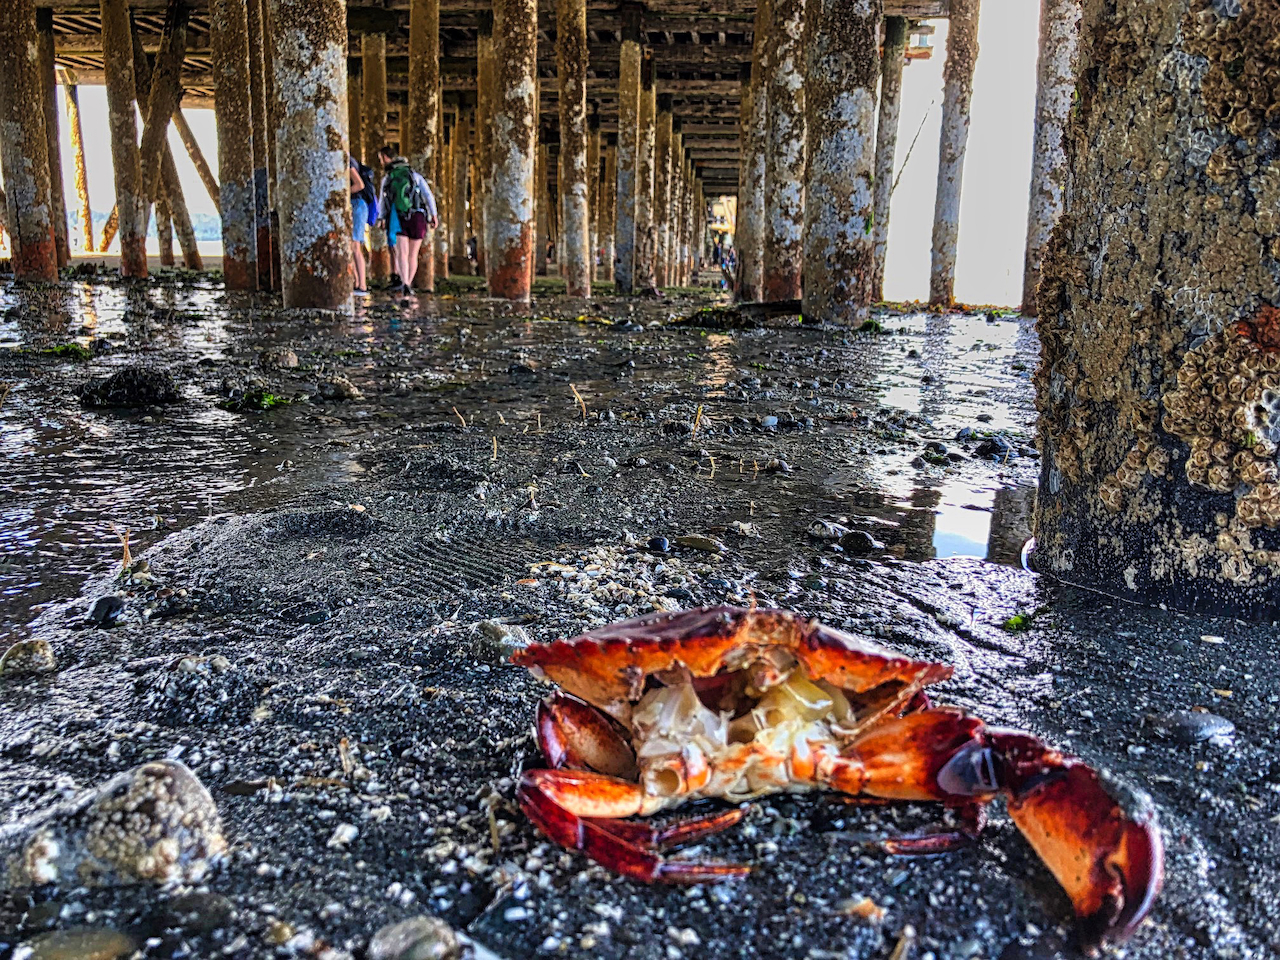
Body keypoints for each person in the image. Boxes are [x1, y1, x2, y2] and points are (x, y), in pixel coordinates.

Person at [377, 146, 438, 294]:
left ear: (385, 158)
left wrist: (381, 217)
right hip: (418, 216)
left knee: (401, 253)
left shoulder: (388, 177)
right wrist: (434, 215)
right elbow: (428, 195)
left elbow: (383, 200)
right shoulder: (414, 175)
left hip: (399, 216)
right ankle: (408, 283)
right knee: (413, 254)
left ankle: (404, 283)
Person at [349, 154, 377, 296]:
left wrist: (343, 193)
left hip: (357, 206)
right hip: (353, 206)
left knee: (355, 246)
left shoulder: (348, 162)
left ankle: (362, 285)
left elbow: (359, 184)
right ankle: (355, 282)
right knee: (350, 246)